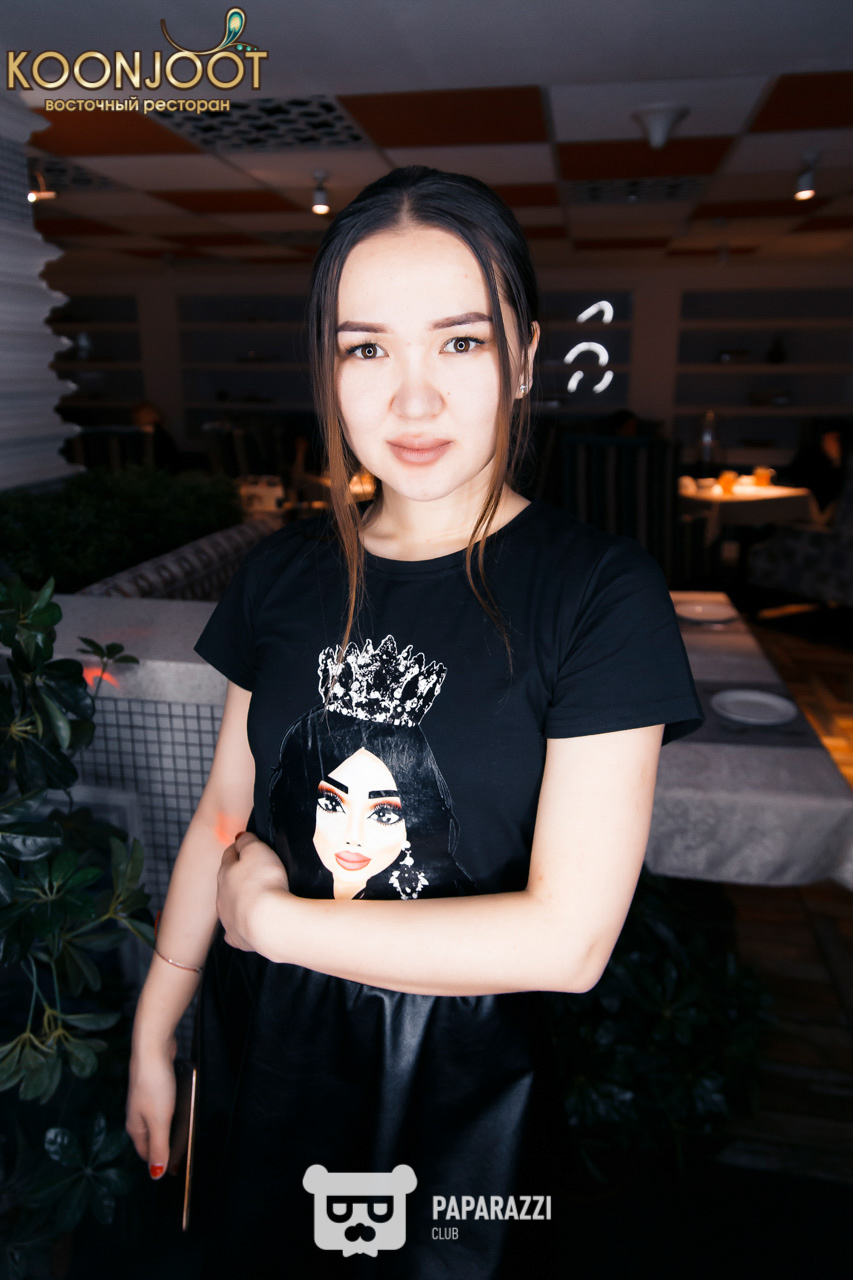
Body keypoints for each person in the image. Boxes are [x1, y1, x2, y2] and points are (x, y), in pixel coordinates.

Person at [125, 166, 704, 1279]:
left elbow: (567, 942)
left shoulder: (597, 591)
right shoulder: (282, 573)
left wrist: (274, 922)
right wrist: (160, 1026)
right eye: (365, 349)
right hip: (261, 1048)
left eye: (461, 341)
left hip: (462, 1083)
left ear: (524, 356)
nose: (413, 400)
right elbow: (226, 813)